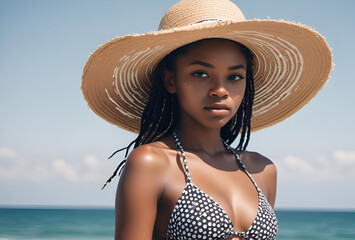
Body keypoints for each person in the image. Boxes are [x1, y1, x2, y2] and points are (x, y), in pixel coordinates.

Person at [81, 0, 333, 239]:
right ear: (171, 80)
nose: (220, 90)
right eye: (201, 73)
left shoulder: (262, 170)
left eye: (234, 77)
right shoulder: (151, 164)